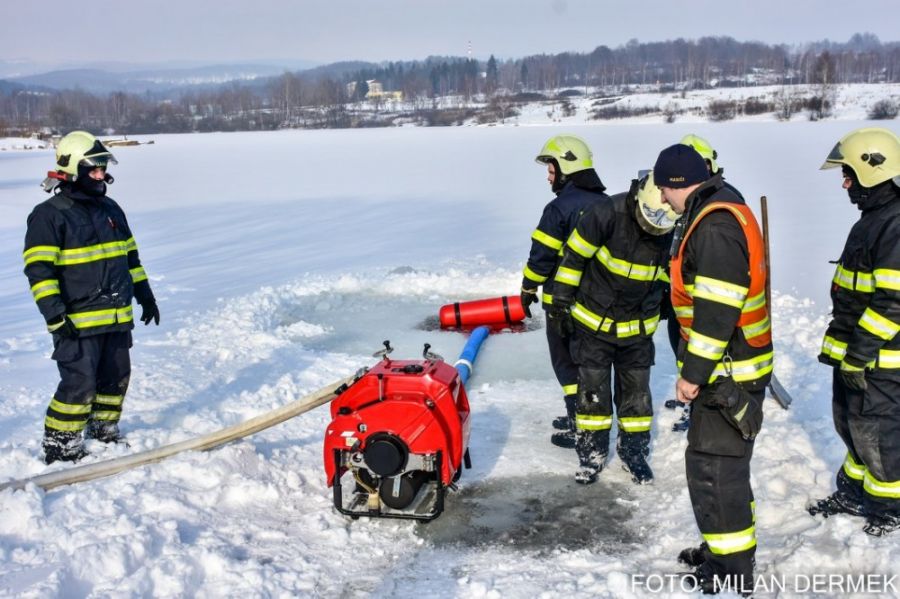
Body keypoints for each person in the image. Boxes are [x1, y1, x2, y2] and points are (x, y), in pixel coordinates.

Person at [655, 144, 773, 595]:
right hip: (729, 368)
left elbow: (717, 312)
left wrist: (693, 373)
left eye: (664, 189)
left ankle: (732, 569)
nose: (662, 198)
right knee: (716, 466)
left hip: (729, 373)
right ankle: (722, 551)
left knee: (717, 471)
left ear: (680, 184)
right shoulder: (715, 210)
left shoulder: (715, 226)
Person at [23, 131, 160, 464]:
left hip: (116, 315)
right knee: (79, 385)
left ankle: (103, 433)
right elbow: (39, 271)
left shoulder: (111, 209)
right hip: (76, 321)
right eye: (93, 169)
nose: (100, 175)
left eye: (102, 168)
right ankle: (61, 446)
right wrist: (54, 314)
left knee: (115, 378)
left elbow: (130, 258)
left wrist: (145, 294)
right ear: (73, 170)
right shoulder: (49, 215)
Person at [549, 170, 675, 484]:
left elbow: (668, 271)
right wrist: (560, 302)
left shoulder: (672, 222)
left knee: (637, 397)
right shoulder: (605, 213)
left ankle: (634, 453)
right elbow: (573, 259)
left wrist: (665, 301)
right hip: (595, 324)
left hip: (638, 329)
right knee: (593, 394)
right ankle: (591, 455)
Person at [809, 127, 900, 537]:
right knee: (851, 425)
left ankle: (888, 508)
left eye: (848, 174)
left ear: (871, 170)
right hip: (855, 353)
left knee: (877, 434)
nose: (845, 183)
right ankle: (853, 492)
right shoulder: (875, 219)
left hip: (879, 359)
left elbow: (893, 302)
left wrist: (860, 355)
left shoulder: (894, 225)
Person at [520, 134, 609, 449]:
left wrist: (528, 288)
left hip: (562, 303)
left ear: (566, 168)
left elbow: (541, 257)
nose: (548, 177)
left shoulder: (558, 208)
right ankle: (584, 419)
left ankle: (578, 423)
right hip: (598, 304)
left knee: (567, 363)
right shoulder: (606, 204)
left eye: (551, 169)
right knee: (589, 364)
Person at [664, 134, 747, 432]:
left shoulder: (717, 213)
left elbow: (718, 306)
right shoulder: (693, 205)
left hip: (710, 308)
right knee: (681, 343)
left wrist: (694, 375)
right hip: (688, 300)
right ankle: (690, 393)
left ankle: (693, 394)